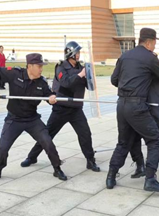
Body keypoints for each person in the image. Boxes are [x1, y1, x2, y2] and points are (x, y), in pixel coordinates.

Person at [106, 28, 159, 192]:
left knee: (123, 142)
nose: (154, 46)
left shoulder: (125, 56)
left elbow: (114, 80)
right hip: (137, 106)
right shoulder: (150, 58)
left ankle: (111, 177)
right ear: (149, 42)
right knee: (155, 140)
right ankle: (150, 179)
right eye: (154, 43)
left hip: (121, 105)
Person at [0, 53, 67, 183]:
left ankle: (57, 168)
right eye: (39, 66)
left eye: (42, 66)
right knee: (3, 147)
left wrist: (52, 98)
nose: (41, 69)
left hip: (32, 119)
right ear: (30, 66)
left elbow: (49, 96)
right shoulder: (15, 74)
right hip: (14, 119)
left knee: (47, 142)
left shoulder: (41, 82)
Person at [21, 41, 100, 172]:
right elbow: (66, 82)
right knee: (47, 134)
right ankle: (32, 157)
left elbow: (90, 87)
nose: (78, 55)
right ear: (70, 54)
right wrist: (80, 75)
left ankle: (90, 161)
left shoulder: (82, 68)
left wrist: (90, 76)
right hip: (61, 108)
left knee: (85, 134)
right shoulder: (61, 67)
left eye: (79, 52)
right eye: (76, 52)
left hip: (76, 109)